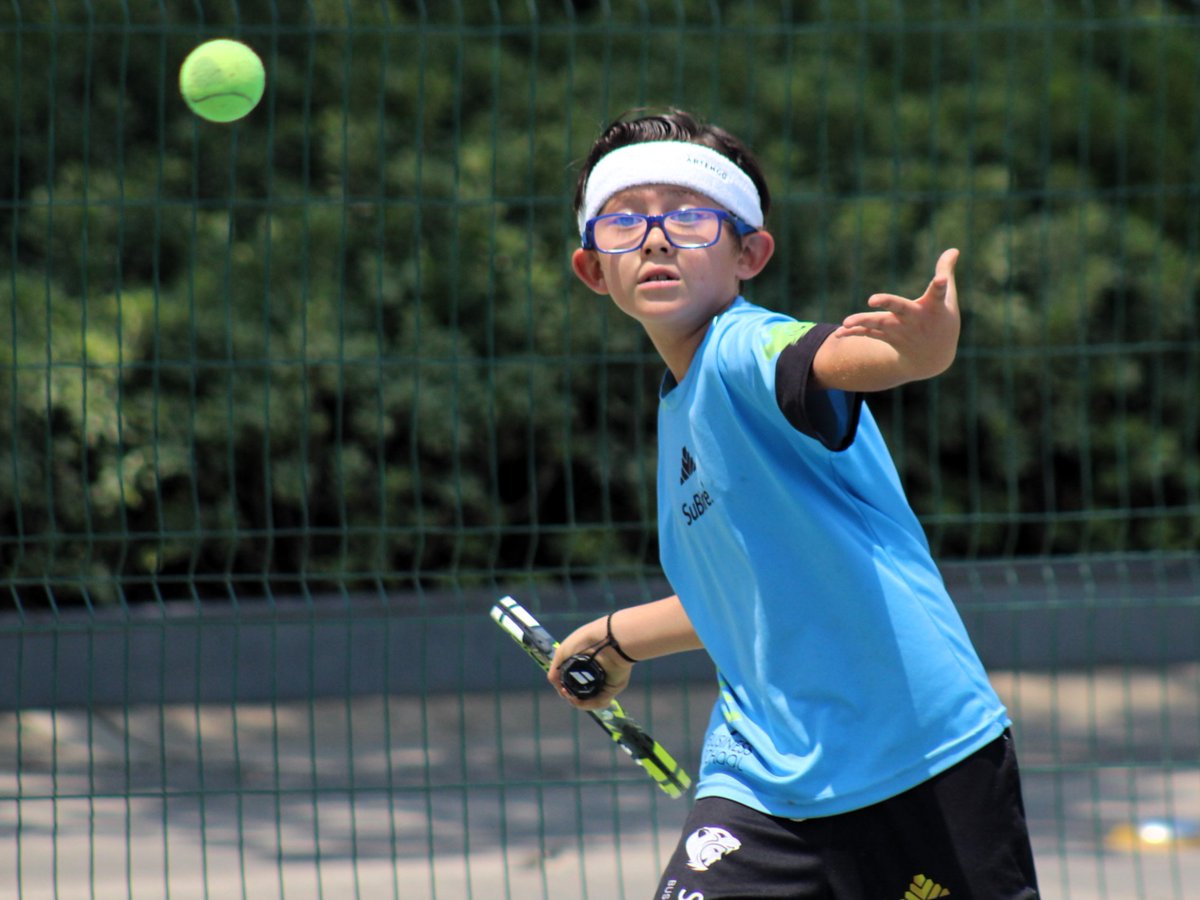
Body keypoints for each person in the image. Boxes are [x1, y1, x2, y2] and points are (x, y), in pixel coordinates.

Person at [549, 109, 1040, 899]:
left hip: (918, 758)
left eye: (689, 217)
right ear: (592, 268)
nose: (656, 238)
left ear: (750, 253)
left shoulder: (741, 350)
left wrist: (912, 354)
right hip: (761, 779)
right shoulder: (681, 406)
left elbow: (824, 358)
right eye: (624, 221)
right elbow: (754, 589)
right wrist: (617, 638)